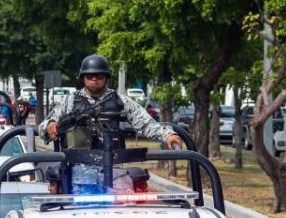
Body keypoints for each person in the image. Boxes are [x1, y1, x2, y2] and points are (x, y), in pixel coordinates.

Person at [43, 54, 184, 150]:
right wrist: (50, 126)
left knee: (132, 187)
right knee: (57, 184)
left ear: (106, 77)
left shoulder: (120, 101)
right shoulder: (70, 100)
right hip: (77, 165)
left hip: (113, 166)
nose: (94, 79)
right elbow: (46, 124)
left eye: (98, 75)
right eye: (90, 75)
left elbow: (146, 123)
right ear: (83, 77)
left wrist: (168, 136)